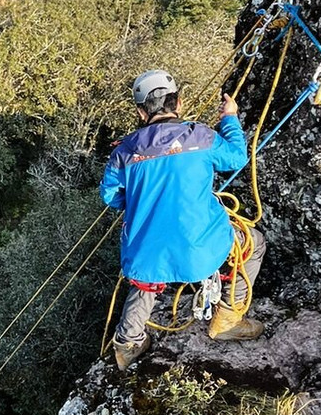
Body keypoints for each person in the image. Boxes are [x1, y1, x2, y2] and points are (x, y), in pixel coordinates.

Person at [99, 69, 267, 371]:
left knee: (145, 275)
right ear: (179, 103)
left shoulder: (124, 152)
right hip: (202, 251)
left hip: (146, 255)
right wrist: (230, 117)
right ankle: (227, 319)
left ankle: (128, 343)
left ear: (140, 111)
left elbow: (110, 196)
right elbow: (236, 159)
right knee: (253, 244)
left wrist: (138, 204)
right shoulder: (200, 136)